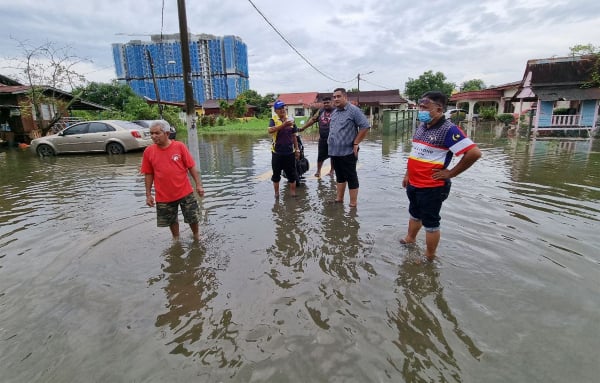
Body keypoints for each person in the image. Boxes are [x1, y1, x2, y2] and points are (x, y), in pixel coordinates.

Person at [401, 91, 482, 261]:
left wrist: (450, 173)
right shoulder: (422, 127)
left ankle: (429, 257)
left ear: (438, 109)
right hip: (414, 183)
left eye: (425, 107)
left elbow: (474, 153)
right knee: (414, 214)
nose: (420, 110)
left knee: (431, 223)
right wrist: (407, 174)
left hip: (432, 187)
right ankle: (410, 239)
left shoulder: (449, 129)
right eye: (420, 106)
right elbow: (416, 153)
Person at [141, 121, 205, 241]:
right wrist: (148, 195)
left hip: (185, 191)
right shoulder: (148, 152)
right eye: (151, 133)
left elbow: (191, 166)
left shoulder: (179, 146)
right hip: (164, 195)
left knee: (192, 217)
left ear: (167, 133)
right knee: (171, 220)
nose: (153, 136)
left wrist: (198, 185)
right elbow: (148, 174)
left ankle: (196, 236)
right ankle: (176, 239)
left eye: (157, 133)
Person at [328, 88, 371, 207]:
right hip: (334, 152)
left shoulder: (353, 111)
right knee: (340, 176)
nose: (336, 99)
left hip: (348, 151)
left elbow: (365, 126)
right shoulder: (335, 112)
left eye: (338, 96)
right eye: (334, 97)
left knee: (351, 176)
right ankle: (339, 199)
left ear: (345, 97)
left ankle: (353, 204)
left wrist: (356, 143)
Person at [268, 100, 300, 198]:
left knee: (292, 174)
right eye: (279, 108)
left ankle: (293, 194)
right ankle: (277, 194)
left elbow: (294, 136)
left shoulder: (290, 120)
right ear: (275, 110)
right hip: (277, 153)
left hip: (290, 152)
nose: (282, 110)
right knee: (276, 175)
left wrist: (297, 149)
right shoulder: (273, 120)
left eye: (283, 108)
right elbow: (270, 130)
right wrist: (283, 125)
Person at [299, 96, 334, 178]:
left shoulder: (336, 111)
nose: (326, 104)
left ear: (332, 102)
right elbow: (313, 120)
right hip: (323, 138)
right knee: (320, 156)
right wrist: (303, 127)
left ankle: (332, 171)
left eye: (328, 102)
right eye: (324, 103)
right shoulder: (321, 111)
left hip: (334, 139)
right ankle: (318, 171)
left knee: (334, 156)